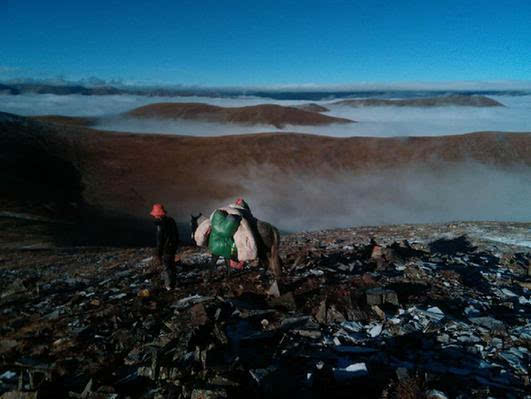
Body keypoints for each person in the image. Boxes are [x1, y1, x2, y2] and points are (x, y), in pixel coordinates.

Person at [150, 204, 179, 290]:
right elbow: (176, 234)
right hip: (173, 247)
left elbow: (160, 241)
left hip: (166, 249)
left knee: (167, 266)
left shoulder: (160, 226)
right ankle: (173, 283)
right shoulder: (171, 221)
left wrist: (158, 254)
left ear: (157, 215)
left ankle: (169, 286)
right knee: (172, 265)